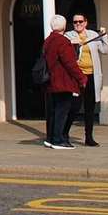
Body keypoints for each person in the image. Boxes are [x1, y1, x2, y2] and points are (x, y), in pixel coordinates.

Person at [41, 15, 83, 150]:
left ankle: (51, 138)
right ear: (64, 27)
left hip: (52, 81)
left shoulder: (48, 40)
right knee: (62, 111)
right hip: (63, 81)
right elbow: (70, 63)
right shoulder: (62, 41)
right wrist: (81, 77)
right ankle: (58, 140)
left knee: (54, 111)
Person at [68, 14, 108, 147]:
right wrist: (74, 44)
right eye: (75, 22)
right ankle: (64, 133)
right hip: (77, 76)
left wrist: (104, 36)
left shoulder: (93, 35)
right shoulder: (69, 36)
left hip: (91, 75)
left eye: (80, 21)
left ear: (86, 22)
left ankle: (89, 137)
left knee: (89, 107)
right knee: (74, 106)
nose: (78, 24)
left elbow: (105, 50)